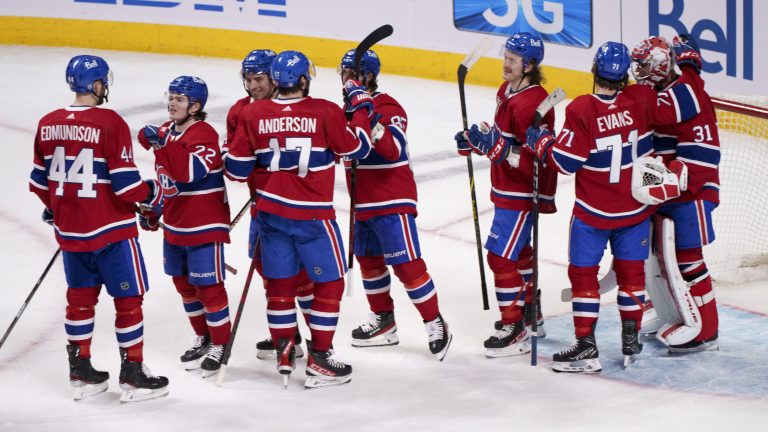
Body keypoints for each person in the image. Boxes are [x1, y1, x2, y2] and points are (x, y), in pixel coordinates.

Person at [528, 41, 702, 373]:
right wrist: (688, 68)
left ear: (594, 69)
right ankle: (630, 337)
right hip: (635, 212)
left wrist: (541, 142)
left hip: (593, 214)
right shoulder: (642, 98)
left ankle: (586, 346)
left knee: (583, 277)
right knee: (631, 276)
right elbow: (682, 107)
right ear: (625, 76)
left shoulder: (581, 109)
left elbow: (565, 161)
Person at [224, 50, 373, 388]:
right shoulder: (326, 111)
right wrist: (361, 107)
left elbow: (235, 169)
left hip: (271, 214)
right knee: (331, 282)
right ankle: (320, 357)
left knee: (279, 285)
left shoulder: (253, 113)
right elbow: (357, 149)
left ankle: (284, 350)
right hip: (312, 216)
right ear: (304, 79)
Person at [29, 54, 169, 402]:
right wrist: (155, 190)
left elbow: (38, 182)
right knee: (128, 300)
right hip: (111, 234)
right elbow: (125, 187)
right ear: (96, 85)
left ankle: (81, 372)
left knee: (79, 301)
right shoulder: (110, 123)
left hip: (72, 235)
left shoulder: (47, 123)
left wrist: (56, 209)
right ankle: (133, 372)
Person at [339, 49, 452, 360]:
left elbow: (393, 149)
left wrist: (368, 111)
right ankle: (384, 322)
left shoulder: (388, 106)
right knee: (369, 263)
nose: (346, 80)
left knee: (407, 265)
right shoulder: (344, 111)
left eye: (351, 74)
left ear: (367, 77)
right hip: (362, 202)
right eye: (344, 74)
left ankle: (434, 321)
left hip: (391, 199)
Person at [454, 32, 558, 358]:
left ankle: (513, 326)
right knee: (521, 253)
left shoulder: (533, 105)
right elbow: (504, 139)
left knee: (499, 257)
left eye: (513, 59)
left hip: (522, 193)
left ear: (529, 65)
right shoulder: (507, 91)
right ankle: (530, 310)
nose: (505, 63)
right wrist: (476, 141)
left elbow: (533, 162)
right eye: (506, 56)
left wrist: (497, 149)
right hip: (505, 189)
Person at [630, 35, 720, 353]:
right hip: (674, 188)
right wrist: (686, 57)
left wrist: (613, 98)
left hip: (693, 190)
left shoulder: (678, 96)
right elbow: (691, 65)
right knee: (659, 256)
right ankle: (672, 313)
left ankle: (707, 330)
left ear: (658, 66)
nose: (637, 72)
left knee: (688, 260)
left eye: (643, 66)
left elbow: (651, 112)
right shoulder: (682, 78)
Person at [137, 76, 232, 378]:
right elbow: (170, 182)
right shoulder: (167, 131)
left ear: (196, 105)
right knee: (184, 286)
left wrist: (163, 144)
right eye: (171, 97)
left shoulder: (204, 133)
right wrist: (155, 208)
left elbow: (188, 173)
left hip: (204, 225)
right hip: (176, 225)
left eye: (180, 99)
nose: (172, 103)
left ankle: (220, 344)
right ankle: (203, 336)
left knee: (208, 288)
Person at [223, 49, 313, 360]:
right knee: (267, 267)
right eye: (247, 80)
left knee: (300, 275)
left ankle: (318, 340)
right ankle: (290, 333)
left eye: (259, 79)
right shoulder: (239, 112)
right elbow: (234, 161)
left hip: (295, 206)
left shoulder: (295, 109)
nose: (253, 86)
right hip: (262, 206)